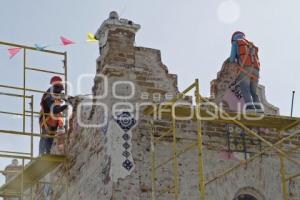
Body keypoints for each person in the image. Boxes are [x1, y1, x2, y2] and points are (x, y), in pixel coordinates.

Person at [229, 31, 264, 113]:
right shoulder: (251, 45)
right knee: (254, 92)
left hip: (245, 69)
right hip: (256, 71)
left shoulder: (236, 42)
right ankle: (259, 109)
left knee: (245, 89)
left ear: (233, 37)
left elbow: (231, 59)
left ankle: (250, 108)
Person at [39, 76, 68, 155]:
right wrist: (64, 107)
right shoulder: (49, 94)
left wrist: (66, 100)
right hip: (46, 119)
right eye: (59, 90)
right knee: (45, 137)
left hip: (53, 121)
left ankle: (48, 154)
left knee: (50, 139)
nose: (60, 93)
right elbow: (54, 109)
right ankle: (41, 154)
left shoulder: (56, 95)